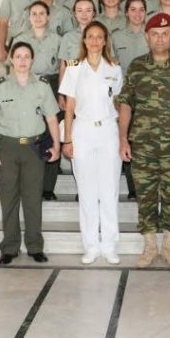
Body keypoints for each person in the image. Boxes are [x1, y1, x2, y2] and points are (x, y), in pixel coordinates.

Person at [118, 13, 170, 269]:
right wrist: (123, 138)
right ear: (147, 37)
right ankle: (149, 247)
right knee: (145, 197)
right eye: (155, 34)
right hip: (142, 146)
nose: (160, 38)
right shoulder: (136, 67)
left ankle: (168, 246)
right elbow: (126, 105)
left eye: (164, 34)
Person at [0, 41, 60, 265]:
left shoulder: (42, 86)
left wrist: (56, 146)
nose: (23, 61)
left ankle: (35, 246)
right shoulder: (1, 87)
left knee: (33, 199)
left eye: (27, 56)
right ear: (11, 60)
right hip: (7, 148)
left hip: (33, 149)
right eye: (18, 56)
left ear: (32, 60)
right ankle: (10, 247)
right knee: (9, 199)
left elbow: (52, 118)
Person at [60, 21, 123, 265]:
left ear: (105, 41)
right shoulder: (74, 69)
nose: (95, 41)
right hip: (82, 130)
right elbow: (69, 108)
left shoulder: (114, 68)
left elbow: (119, 103)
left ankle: (109, 245)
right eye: (90, 36)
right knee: (87, 192)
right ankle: (91, 246)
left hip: (108, 130)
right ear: (84, 40)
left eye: (99, 37)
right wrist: (67, 139)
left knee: (109, 190)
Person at [13, 1, 63, 202]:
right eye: (34, 13)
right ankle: (30, 186)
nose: (38, 17)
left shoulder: (58, 39)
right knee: (31, 136)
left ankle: (48, 188)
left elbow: (63, 67)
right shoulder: (20, 39)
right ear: (29, 17)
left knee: (52, 135)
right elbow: (13, 68)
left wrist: (62, 93)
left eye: (42, 13)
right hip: (28, 85)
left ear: (48, 17)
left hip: (52, 84)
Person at [111, 0, 150, 202]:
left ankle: (147, 186)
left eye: (141, 9)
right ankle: (133, 188)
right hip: (124, 95)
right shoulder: (116, 37)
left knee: (146, 141)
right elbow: (110, 66)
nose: (137, 14)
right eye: (133, 9)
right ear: (126, 12)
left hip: (149, 96)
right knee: (126, 139)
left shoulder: (151, 35)